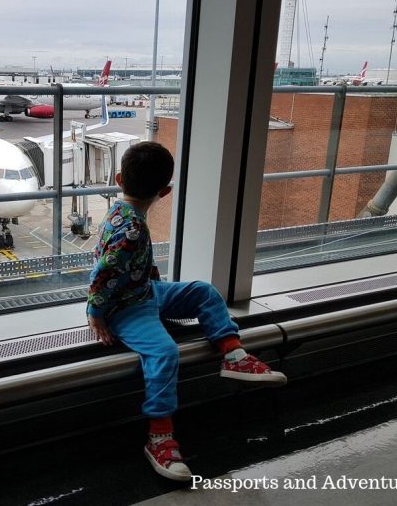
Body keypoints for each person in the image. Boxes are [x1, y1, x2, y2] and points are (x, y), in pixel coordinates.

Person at [86, 141, 286, 481]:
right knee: (164, 352)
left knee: (202, 292)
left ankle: (232, 355)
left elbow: (125, 265)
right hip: (127, 307)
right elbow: (105, 270)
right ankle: (159, 436)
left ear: (119, 179)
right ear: (165, 191)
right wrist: (97, 312)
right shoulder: (130, 229)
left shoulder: (123, 215)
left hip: (144, 292)